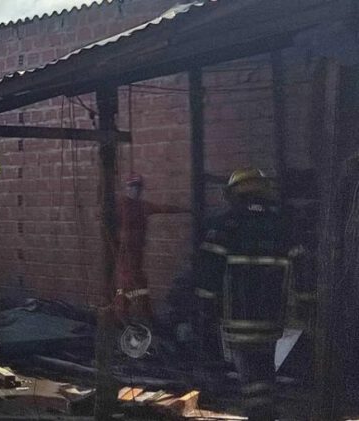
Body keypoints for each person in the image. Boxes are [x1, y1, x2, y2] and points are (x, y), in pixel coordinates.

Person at [192, 168, 295, 421]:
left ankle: (258, 413)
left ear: (235, 194)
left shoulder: (226, 223)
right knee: (265, 366)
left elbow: (210, 270)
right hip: (272, 315)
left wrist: (205, 306)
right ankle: (265, 410)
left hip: (238, 316)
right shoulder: (281, 224)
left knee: (249, 371)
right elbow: (301, 263)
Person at [113, 174, 187, 324]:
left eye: (138, 188)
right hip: (125, 254)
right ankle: (132, 316)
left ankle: (129, 315)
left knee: (133, 284)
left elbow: (162, 208)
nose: (136, 191)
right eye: (133, 187)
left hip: (136, 254)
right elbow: (107, 218)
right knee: (131, 283)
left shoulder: (142, 206)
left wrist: (185, 209)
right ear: (127, 188)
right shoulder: (121, 205)